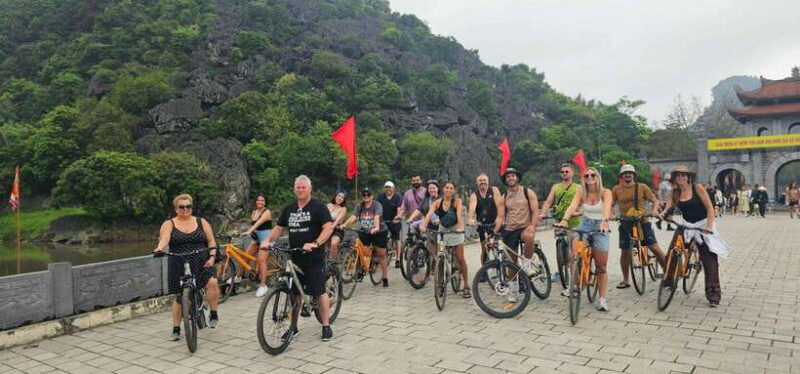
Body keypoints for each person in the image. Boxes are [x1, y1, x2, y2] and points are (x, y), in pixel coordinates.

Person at [263, 175, 335, 341]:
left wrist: (315, 243)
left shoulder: (319, 207)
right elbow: (278, 229)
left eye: (304, 187)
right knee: (293, 294)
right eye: (298, 187)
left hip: (313, 257)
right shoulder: (289, 209)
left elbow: (328, 228)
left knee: (319, 291)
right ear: (294, 189)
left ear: (310, 189)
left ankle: (326, 325)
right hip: (294, 256)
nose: (301, 190)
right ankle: (293, 327)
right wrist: (267, 241)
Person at [154, 194, 220, 341]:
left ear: (192, 207)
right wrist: (159, 248)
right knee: (179, 297)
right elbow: (165, 238)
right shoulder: (169, 223)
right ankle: (176, 328)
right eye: (181, 207)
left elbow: (211, 240)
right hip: (178, 260)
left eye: (188, 206)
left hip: (201, 259)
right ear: (176, 209)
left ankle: (214, 313)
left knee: (213, 282)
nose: (185, 209)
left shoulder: (201, 222)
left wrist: (212, 257)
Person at [662, 166, 723, 307]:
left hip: (703, 224)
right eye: (677, 176)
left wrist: (708, 226)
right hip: (686, 224)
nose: (681, 178)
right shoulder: (674, 192)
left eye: (683, 175)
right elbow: (668, 207)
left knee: (710, 259)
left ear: (689, 177)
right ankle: (668, 280)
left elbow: (709, 208)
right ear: (674, 179)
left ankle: (713, 292)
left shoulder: (698, 188)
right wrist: (663, 214)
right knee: (672, 251)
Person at [558, 167, 612, 311]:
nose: (590, 177)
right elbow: (572, 206)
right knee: (574, 254)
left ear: (598, 177)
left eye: (593, 175)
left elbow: (607, 208)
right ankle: (575, 284)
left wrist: (605, 221)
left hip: (601, 226)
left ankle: (601, 299)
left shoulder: (606, 192)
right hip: (585, 224)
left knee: (601, 266)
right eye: (587, 175)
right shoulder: (581, 192)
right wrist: (564, 220)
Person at [611, 164, 666, 289]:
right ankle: (626, 279)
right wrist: (612, 214)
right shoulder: (616, 189)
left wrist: (654, 210)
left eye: (630, 173)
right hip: (625, 222)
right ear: (621, 176)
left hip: (642, 221)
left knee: (654, 247)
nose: (628, 175)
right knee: (625, 251)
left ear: (634, 175)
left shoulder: (642, 187)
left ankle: (667, 273)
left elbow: (654, 200)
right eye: (625, 173)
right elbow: (611, 204)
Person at [421, 181, 470, 298]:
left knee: (460, 257)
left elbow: (459, 215)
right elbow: (429, 214)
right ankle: (440, 285)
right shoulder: (437, 202)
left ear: (453, 191)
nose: (448, 190)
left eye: (451, 188)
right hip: (443, 231)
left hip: (455, 230)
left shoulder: (457, 202)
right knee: (440, 257)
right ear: (443, 189)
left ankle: (466, 285)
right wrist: (424, 225)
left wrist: (461, 227)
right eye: (446, 188)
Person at [341, 187, 390, 287]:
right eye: (364, 195)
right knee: (361, 251)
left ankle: (384, 277)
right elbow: (353, 217)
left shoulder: (377, 205)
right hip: (364, 231)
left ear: (372, 196)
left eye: (368, 195)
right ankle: (360, 270)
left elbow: (376, 216)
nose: (366, 197)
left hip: (379, 231)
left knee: (381, 254)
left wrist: (376, 227)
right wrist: (345, 224)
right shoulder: (359, 206)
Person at [500, 168, 540, 273]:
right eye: (508, 176)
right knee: (512, 264)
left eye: (512, 175)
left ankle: (527, 264)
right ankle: (514, 288)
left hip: (524, 227)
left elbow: (535, 211)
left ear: (517, 178)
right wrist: (494, 230)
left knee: (529, 236)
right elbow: (500, 217)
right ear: (505, 180)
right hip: (510, 230)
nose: (510, 178)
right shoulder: (503, 197)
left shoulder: (527, 192)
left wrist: (532, 225)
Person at [468, 173, 504, 280]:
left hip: (496, 222)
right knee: (484, 248)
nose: (482, 182)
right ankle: (484, 271)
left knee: (501, 245)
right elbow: (472, 208)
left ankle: (504, 266)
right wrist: (470, 218)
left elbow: (499, 204)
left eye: (484, 180)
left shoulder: (494, 190)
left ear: (488, 181)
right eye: (480, 181)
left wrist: (499, 218)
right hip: (483, 224)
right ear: (477, 183)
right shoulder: (475, 195)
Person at [241, 195, 272, 297]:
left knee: (261, 260)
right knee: (246, 256)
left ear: (265, 202)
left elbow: (258, 224)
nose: (260, 202)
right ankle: (237, 276)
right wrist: (250, 232)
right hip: (257, 238)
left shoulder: (267, 212)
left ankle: (263, 286)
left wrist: (249, 231)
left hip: (266, 238)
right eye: (258, 200)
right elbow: (254, 227)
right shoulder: (254, 212)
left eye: (262, 200)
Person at [407, 180, 441, 269]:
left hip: (441, 226)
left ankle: (440, 267)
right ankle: (431, 269)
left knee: (440, 249)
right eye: (430, 188)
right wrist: (410, 218)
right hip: (429, 226)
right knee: (431, 250)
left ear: (437, 189)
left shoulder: (442, 199)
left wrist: (439, 220)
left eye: (433, 188)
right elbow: (418, 210)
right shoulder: (426, 200)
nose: (431, 190)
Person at [397, 175, 426, 266]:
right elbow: (404, 207)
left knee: (425, 242)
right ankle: (413, 262)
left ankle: (429, 261)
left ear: (421, 180)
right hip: (412, 222)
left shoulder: (426, 192)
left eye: (417, 180)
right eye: (413, 180)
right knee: (412, 241)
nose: (415, 182)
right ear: (411, 181)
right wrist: (399, 215)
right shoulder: (407, 193)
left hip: (424, 221)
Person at [376, 181, 403, 267]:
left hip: (394, 220)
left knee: (396, 238)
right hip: (383, 221)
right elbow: (377, 206)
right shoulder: (381, 196)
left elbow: (400, 208)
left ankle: (398, 259)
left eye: (390, 187)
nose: (388, 189)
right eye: (386, 187)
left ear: (393, 188)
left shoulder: (397, 197)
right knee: (378, 237)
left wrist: (398, 216)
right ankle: (378, 257)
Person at [327, 189, 348, 261]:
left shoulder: (343, 209)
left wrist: (331, 227)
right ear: (335, 196)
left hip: (337, 230)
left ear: (344, 200)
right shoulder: (328, 205)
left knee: (333, 243)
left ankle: (334, 263)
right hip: (326, 228)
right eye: (339, 196)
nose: (340, 198)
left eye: (342, 197)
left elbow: (337, 220)